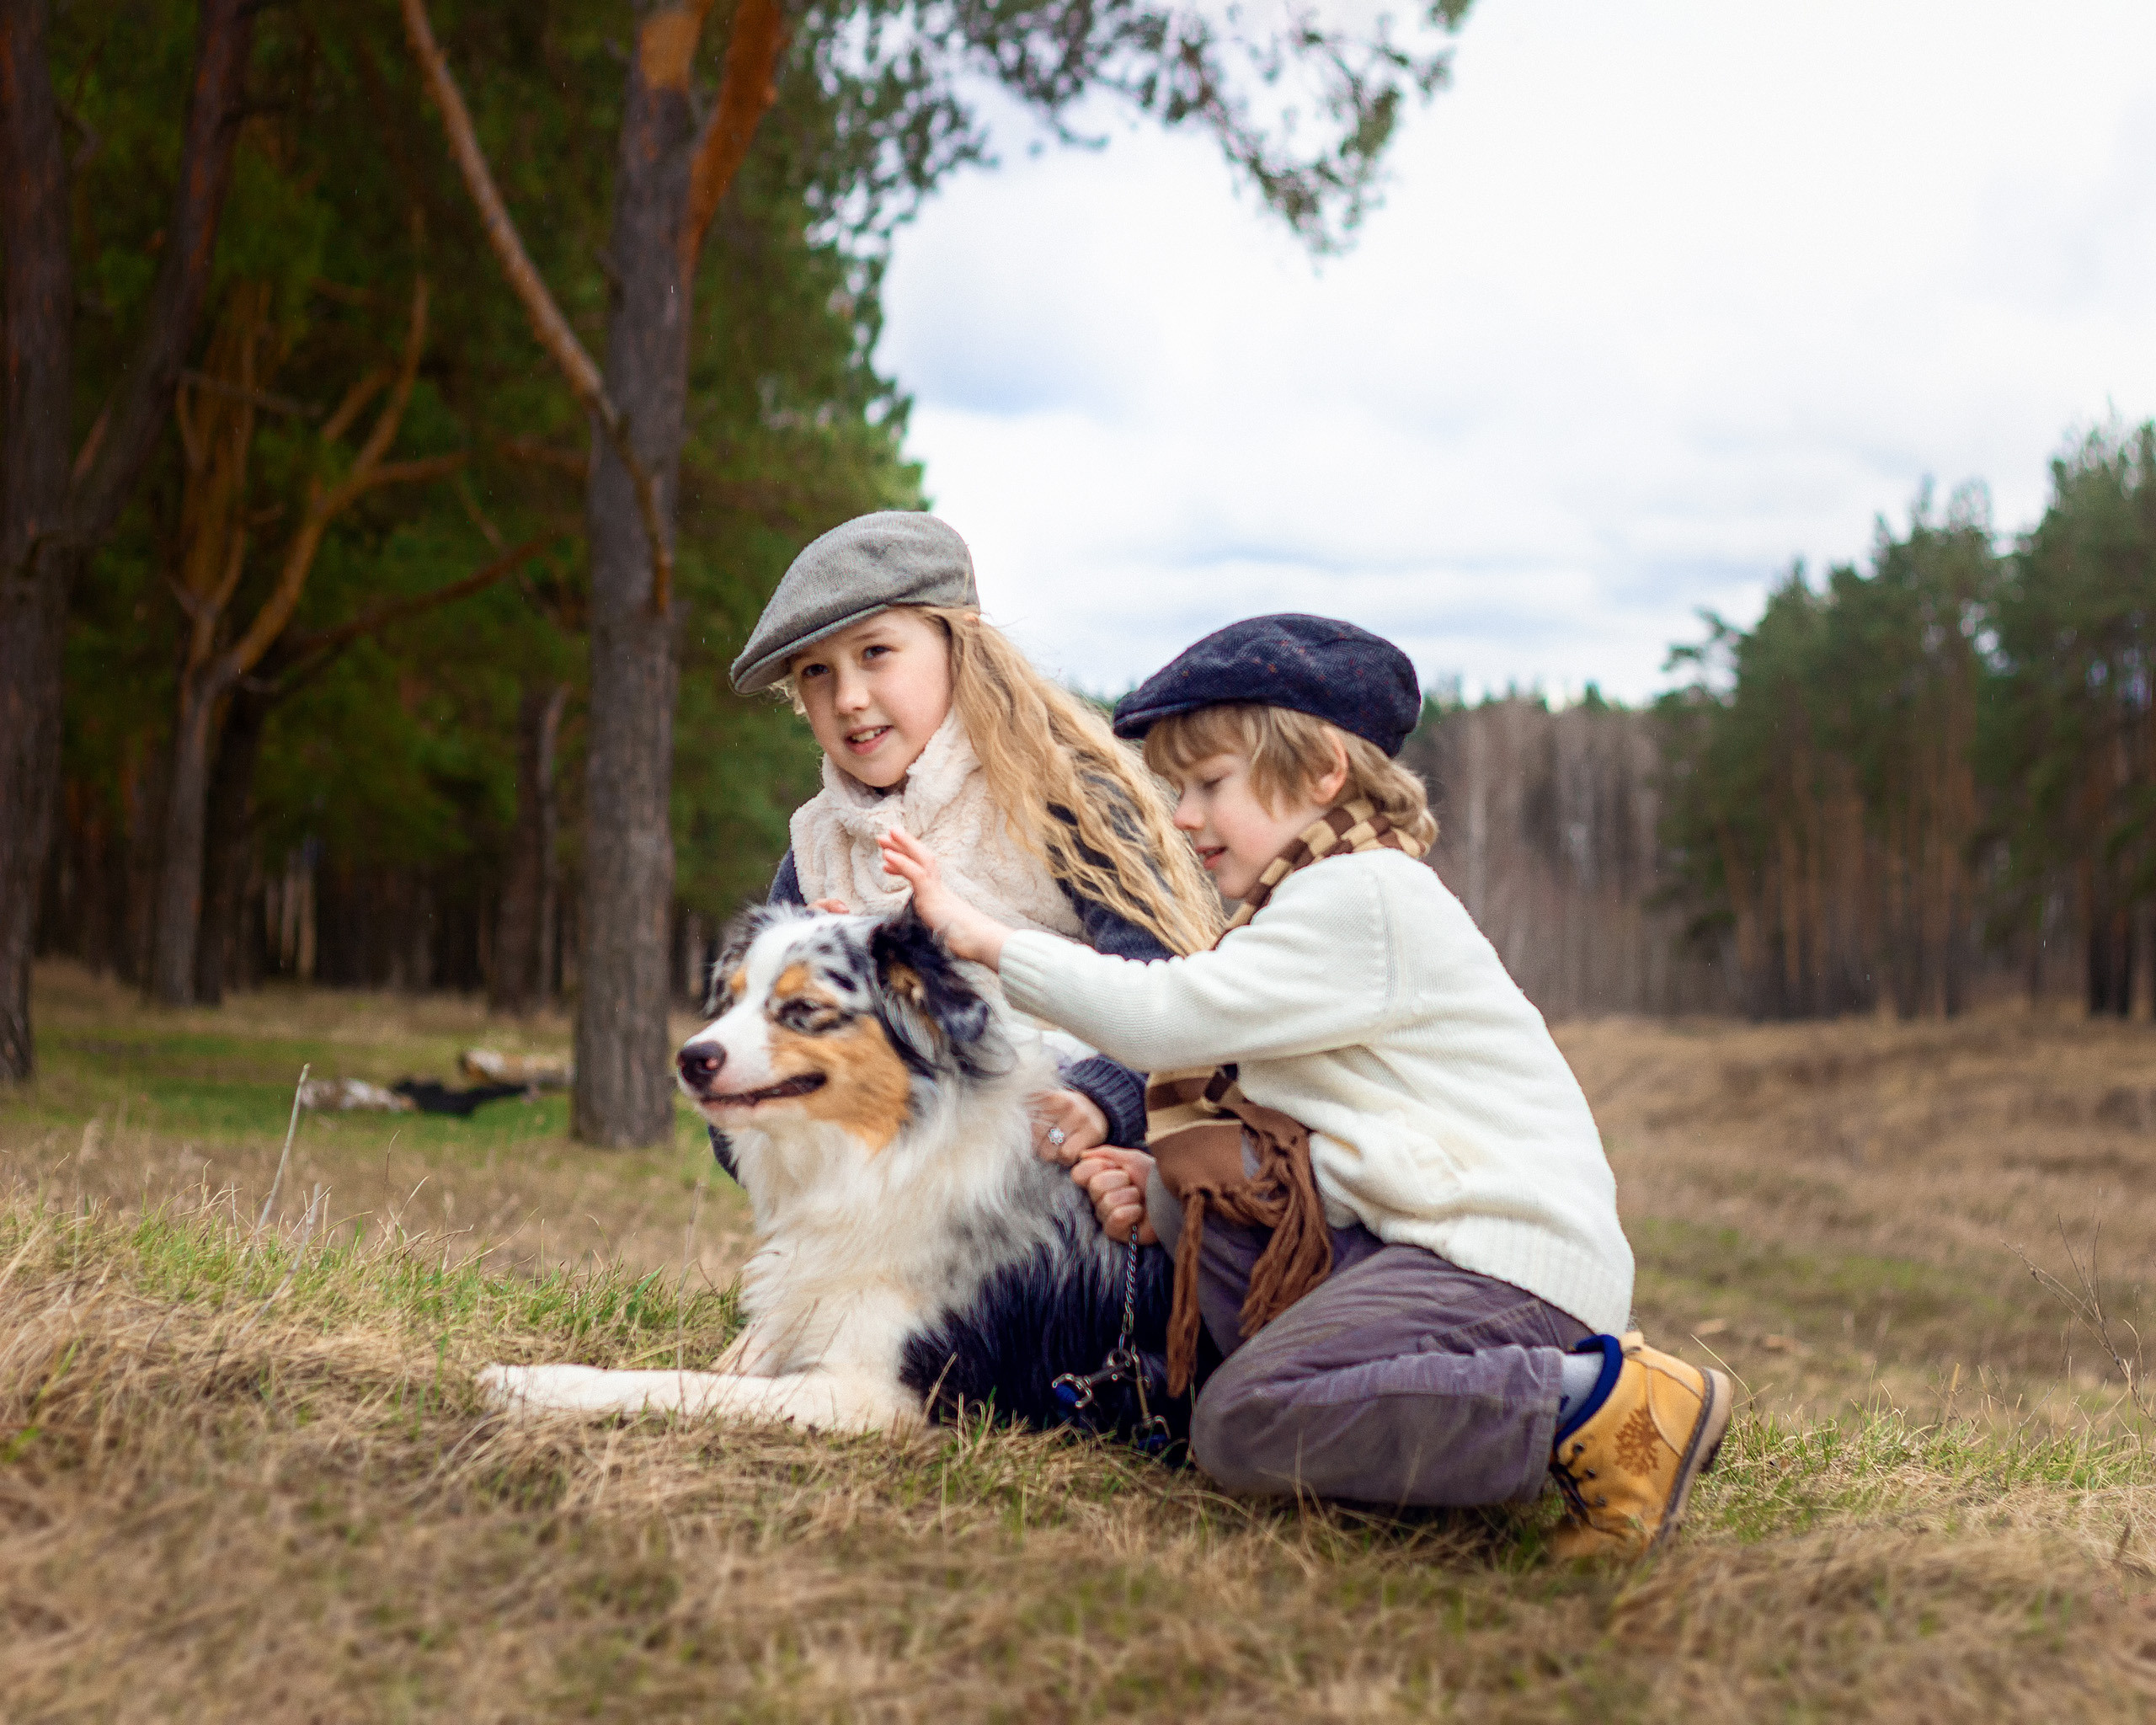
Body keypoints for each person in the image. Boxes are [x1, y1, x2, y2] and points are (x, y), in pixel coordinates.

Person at [878, 612, 1733, 1561]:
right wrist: (1163, 1186)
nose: (1185, 815)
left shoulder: (1361, 896)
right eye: (1177, 789)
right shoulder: (1315, 900)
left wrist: (979, 935)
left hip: (1503, 1261)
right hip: (1433, 1239)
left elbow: (1167, 1015)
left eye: (1209, 783)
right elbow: (1293, 1140)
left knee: (1247, 1423)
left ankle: (1599, 1405)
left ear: (1323, 771)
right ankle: (1471, 1408)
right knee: (1209, 1202)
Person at [722, 510, 1220, 1167]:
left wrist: (1104, 1100)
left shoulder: (1065, 801)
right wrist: (799, 995)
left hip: (1065, 1183)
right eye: (815, 671)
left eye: (875, 653)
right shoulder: (816, 849)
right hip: (885, 1203)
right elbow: (739, 1121)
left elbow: (1167, 998)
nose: (847, 697)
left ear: (962, 644)